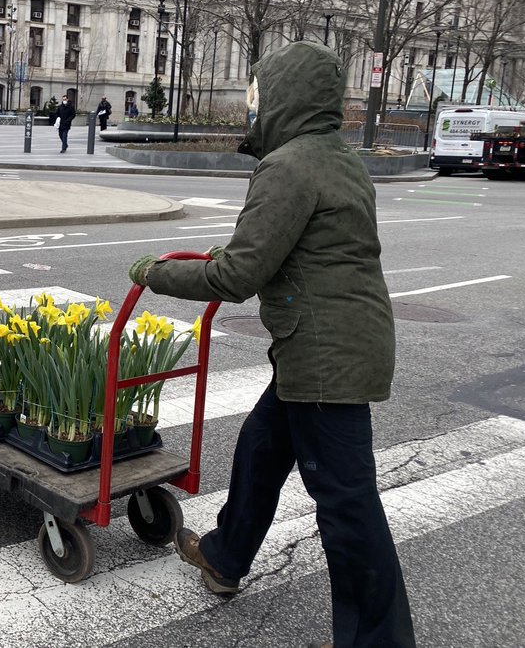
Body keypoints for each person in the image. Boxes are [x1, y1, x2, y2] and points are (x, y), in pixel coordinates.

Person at [128, 41, 415, 648]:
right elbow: (292, 250)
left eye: (261, 96)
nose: (254, 110)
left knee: (347, 507)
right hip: (332, 345)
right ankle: (226, 557)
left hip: (324, 359)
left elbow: (237, 276)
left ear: (285, 96)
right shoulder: (337, 156)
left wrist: (154, 272)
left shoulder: (288, 166)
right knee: (261, 448)